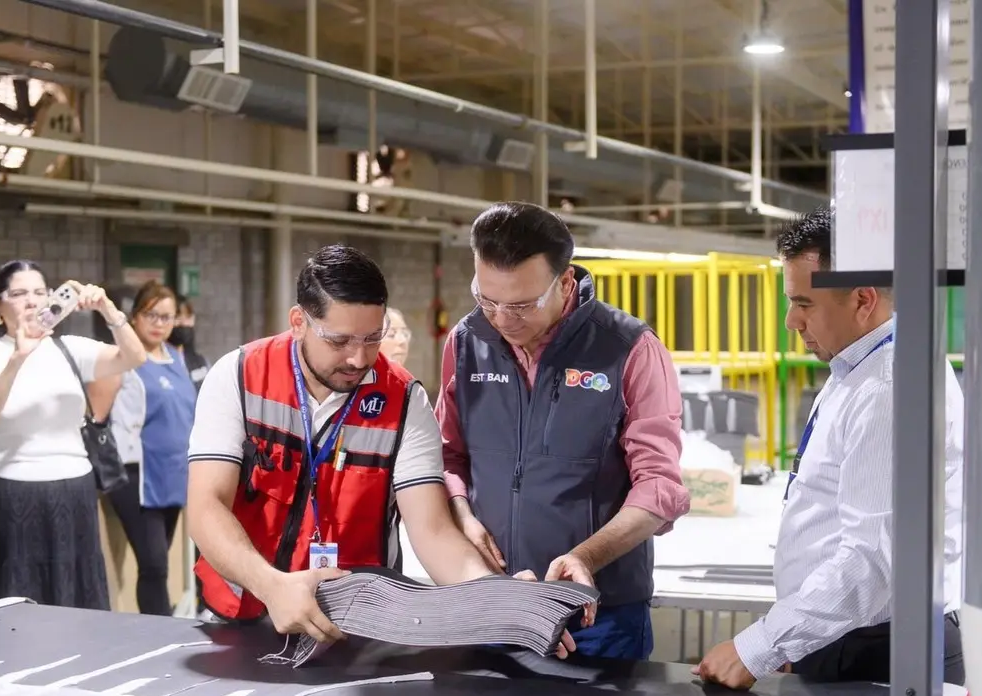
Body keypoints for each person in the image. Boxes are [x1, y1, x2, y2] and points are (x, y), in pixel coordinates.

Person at [186, 244, 575, 654]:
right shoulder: (240, 376)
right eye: (339, 341)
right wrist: (272, 585)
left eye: (373, 338)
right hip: (242, 615)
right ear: (299, 322)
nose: (358, 358)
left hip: (354, 627)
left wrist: (495, 599)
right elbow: (206, 505)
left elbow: (432, 531)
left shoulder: (404, 400)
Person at [693, 207, 966, 688]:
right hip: (850, 638)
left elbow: (873, 559)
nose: (790, 321)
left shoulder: (887, 387)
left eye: (804, 303)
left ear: (863, 300)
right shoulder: (862, 369)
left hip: (877, 654)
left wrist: (758, 646)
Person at [436, 202, 690, 661]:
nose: (501, 318)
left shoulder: (629, 349)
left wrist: (586, 558)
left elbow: (659, 487)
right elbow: (448, 456)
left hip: (597, 617)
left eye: (521, 304)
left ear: (566, 281)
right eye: (486, 299)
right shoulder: (466, 343)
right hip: (492, 603)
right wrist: (462, 515)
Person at [0, 260, 148, 610]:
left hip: (73, 489)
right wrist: (18, 358)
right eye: (18, 293)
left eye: (39, 292)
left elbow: (134, 357)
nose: (31, 301)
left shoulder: (70, 349)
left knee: (76, 596)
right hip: (11, 490)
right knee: (14, 601)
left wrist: (107, 309)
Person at [105, 281, 199, 616]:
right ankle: (159, 637)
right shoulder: (121, 358)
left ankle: (160, 627)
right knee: (155, 565)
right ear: (134, 317)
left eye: (167, 317)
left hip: (172, 474)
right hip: (137, 476)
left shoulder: (176, 357)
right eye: (152, 315)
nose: (159, 323)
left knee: (162, 564)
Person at [170, 295, 210, 391]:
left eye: (188, 317)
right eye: (177, 317)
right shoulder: (160, 362)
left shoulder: (200, 362)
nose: (184, 323)